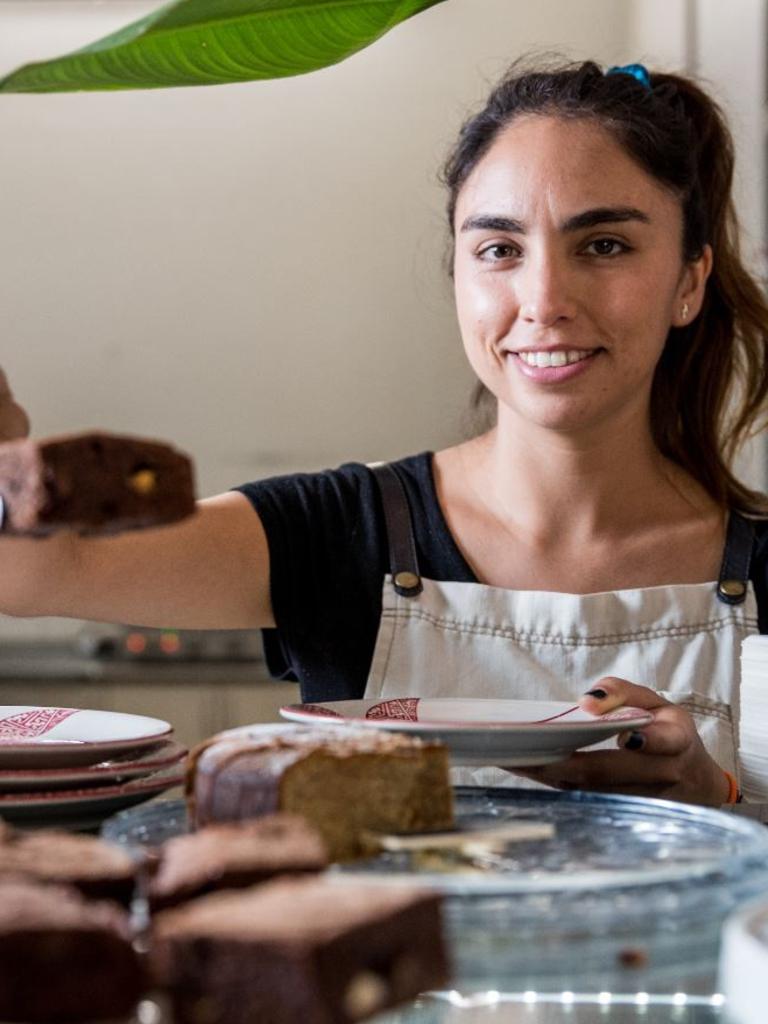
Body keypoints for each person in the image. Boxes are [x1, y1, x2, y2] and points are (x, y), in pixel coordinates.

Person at [2, 59, 767, 807]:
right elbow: (32, 575)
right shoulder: (344, 530)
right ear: (459, 279)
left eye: (603, 245)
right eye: (499, 250)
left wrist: (715, 792)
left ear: (689, 282)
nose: (543, 300)